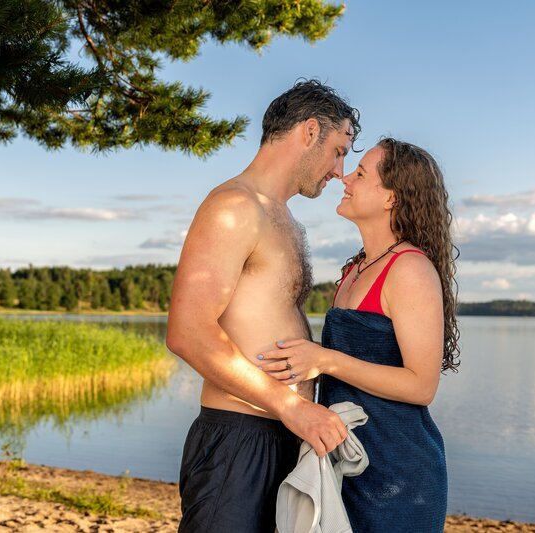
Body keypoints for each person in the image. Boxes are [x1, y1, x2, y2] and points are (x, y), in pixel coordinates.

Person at [165, 79, 361, 533]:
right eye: (338, 150)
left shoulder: (283, 216)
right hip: (239, 439)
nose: (339, 170)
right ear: (309, 132)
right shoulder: (234, 206)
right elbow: (187, 331)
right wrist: (290, 406)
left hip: (284, 436)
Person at [258, 138, 460, 532]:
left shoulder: (410, 270)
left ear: (391, 198)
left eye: (361, 174)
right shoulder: (355, 269)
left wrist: (324, 359)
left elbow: (422, 387)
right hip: (347, 463)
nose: (344, 177)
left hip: (398, 474)